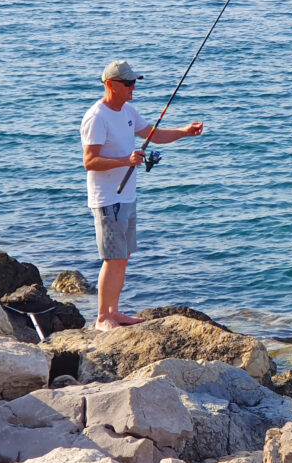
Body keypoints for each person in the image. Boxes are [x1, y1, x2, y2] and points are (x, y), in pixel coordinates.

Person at [81, 60, 203, 330]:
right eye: (128, 83)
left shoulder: (128, 110)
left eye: (135, 82)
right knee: (112, 258)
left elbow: (154, 134)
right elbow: (90, 161)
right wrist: (126, 160)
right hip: (107, 198)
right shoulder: (96, 117)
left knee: (122, 257)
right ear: (111, 85)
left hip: (127, 196)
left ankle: (114, 311)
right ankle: (103, 317)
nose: (133, 87)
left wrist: (184, 132)